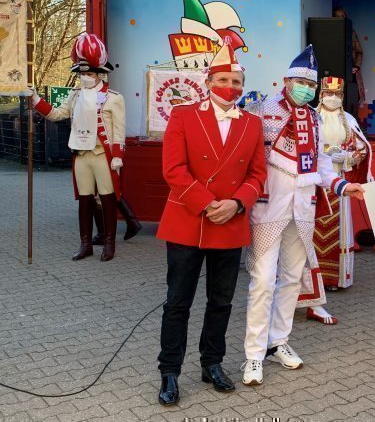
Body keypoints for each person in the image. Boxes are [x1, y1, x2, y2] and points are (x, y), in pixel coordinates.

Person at [242, 45, 365, 386]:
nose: (307, 90)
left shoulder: (312, 117)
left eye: (310, 85)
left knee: (293, 279)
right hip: (268, 208)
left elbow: (323, 163)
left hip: (303, 209)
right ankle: (253, 355)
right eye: (300, 83)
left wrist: (342, 186)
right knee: (263, 280)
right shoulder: (261, 109)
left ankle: (278, 341)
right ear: (286, 80)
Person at [154, 43, 266, 406]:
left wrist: (235, 203)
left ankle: (212, 363)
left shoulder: (252, 122)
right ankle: (169, 370)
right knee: (178, 301)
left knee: (221, 302)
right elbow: (173, 169)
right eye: (223, 79)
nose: (230, 86)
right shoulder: (183, 115)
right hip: (189, 218)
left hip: (230, 221)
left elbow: (257, 174)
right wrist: (207, 204)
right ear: (209, 80)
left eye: (236, 81)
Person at [26, 33, 140, 261]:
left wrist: (118, 156)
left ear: (99, 74)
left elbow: (118, 130)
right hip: (81, 154)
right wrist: (36, 100)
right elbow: (57, 115)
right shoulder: (74, 96)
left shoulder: (114, 98)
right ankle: (85, 244)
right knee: (85, 200)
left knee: (107, 199)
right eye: (82, 73)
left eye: (89, 73)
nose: (85, 77)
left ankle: (109, 244)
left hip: (102, 155)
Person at [303, 76, 373, 325]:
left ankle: (337, 278)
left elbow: (362, 149)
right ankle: (312, 283)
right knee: (311, 232)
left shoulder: (350, 120)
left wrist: (345, 156)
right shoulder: (310, 117)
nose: (332, 97)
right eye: (328, 92)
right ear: (321, 94)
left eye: (337, 94)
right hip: (313, 180)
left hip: (339, 178)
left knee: (338, 229)